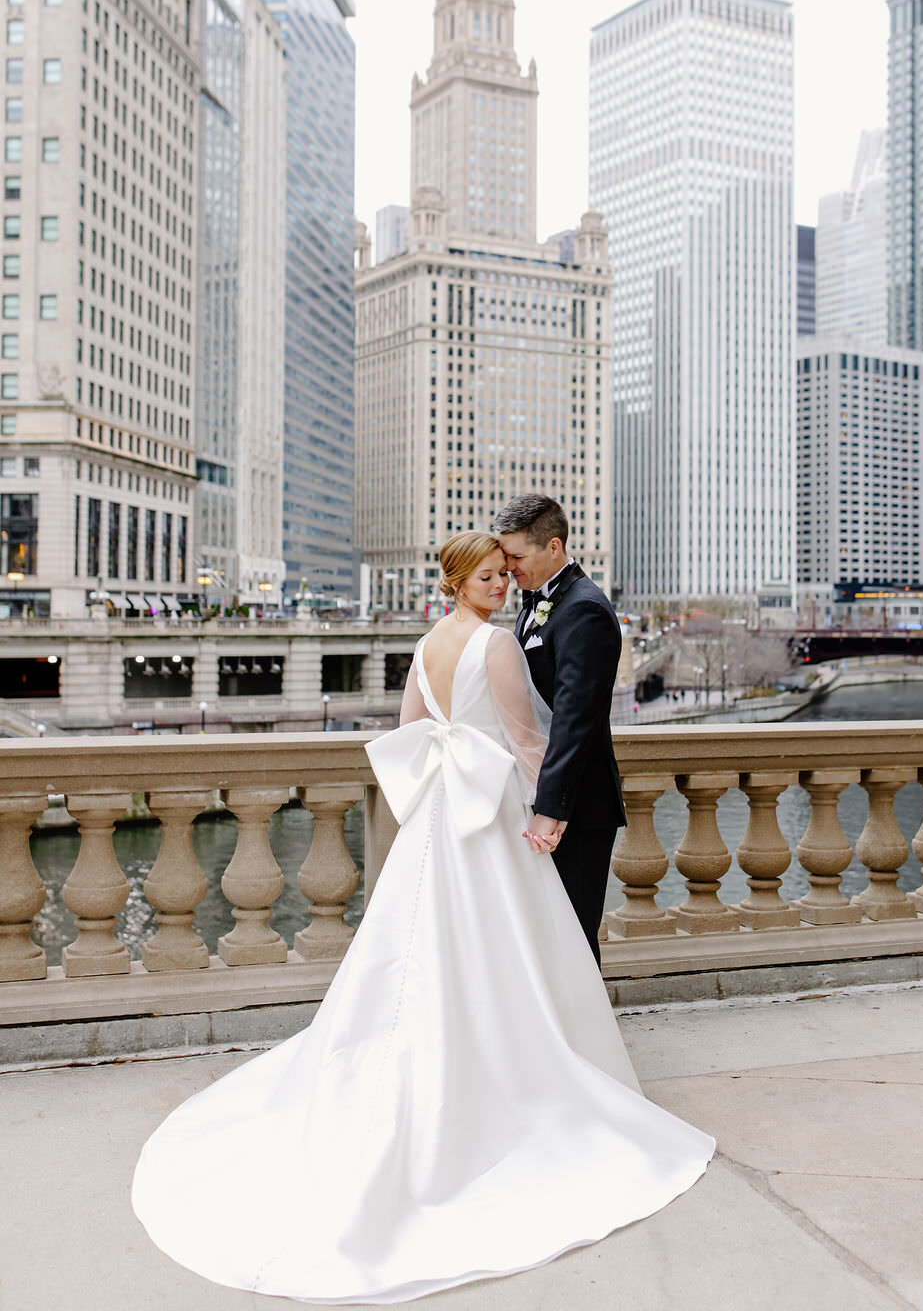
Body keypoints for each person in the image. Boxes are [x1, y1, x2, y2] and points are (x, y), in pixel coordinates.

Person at [132, 531, 714, 1304]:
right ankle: (507, 1076)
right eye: (489, 577)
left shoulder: (424, 644)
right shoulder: (495, 648)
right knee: (499, 950)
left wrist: (450, 765)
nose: (503, 586)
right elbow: (528, 739)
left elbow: (407, 733)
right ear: (458, 582)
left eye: (506, 575)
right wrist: (552, 812)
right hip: (491, 817)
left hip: (438, 816)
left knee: (419, 950)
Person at [494, 493, 625, 962]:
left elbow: (576, 719)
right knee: (540, 932)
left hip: (577, 803)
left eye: (516, 556)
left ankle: (585, 1033)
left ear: (553, 547)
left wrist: (550, 809)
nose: (507, 567)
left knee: (572, 931)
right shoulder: (536, 600)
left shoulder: (585, 608)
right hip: (536, 791)